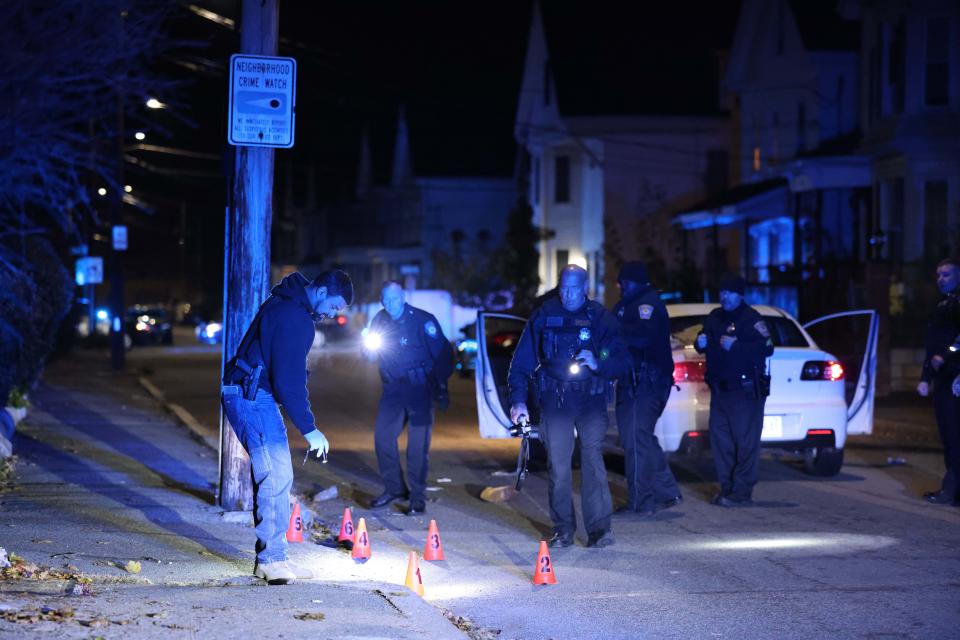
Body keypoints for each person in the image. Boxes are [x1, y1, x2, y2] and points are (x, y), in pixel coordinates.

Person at [221, 270, 353, 584]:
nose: (332, 315)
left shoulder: (284, 304)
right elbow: (288, 381)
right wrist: (310, 429)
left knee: (276, 474)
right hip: (252, 396)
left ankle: (275, 557)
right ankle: (271, 560)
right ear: (321, 292)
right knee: (276, 475)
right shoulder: (296, 318)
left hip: (249, 393)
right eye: (334, 307)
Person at [508, 265, 629, 548]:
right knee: (559, 466)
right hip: (556, 400)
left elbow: (622, 359)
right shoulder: (544, 314)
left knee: (592, 462)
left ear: (585, 287)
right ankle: (563, 529)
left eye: (574, 288)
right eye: (564, 287)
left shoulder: (599, 317)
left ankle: (600, 530)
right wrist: (518, 401)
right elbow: (521, 362)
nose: (568, 294)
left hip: (589, 399)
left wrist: (600, 361)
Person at [365, 281, 453, 515]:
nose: (390, 304)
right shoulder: (380, 320)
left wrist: (441, 386)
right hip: (393, 389)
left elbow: (443, 355)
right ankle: (394, 489)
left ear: (403, 297)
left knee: (417, 446)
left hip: (420, 389)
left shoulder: (423, 320)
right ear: (382, 300)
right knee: (383, 437)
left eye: (394, 299)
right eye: (386, 299)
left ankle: (417, 497)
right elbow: (370, 352)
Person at [694, 273, 773, 507]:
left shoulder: (750, 319)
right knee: (721, 443)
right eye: (723, 292)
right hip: (720, 391)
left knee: (745, 442)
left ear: (740, 295)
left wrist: (738, 346)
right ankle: (727, 489)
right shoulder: (714, 317)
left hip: (744, 392)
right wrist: (700, 343)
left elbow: (767, 347)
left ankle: (741, 492)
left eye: (730, 293)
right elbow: (702, 338)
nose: (725, 297)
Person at [612, 262, 682, 516]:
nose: (619, 286)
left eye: (624, 282)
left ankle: (642, 502)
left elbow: (642, 337)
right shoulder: (624, 305)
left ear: (637, 281)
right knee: (637, 438)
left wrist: (614, 333)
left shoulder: (648, 304)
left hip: (648, 382)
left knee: (636, 437)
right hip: (632, 383)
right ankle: (666, 492)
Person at [920, 258, 960, 505]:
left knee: (954, 435)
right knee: (947, 433)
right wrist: (926, 377)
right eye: (938, 275)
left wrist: (946, 356)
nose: (940, 280)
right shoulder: (944, 304)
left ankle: (951, 488)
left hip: (955, 377)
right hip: (943, 377)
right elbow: (932, 344)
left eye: (946, 275)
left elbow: (957, 343)